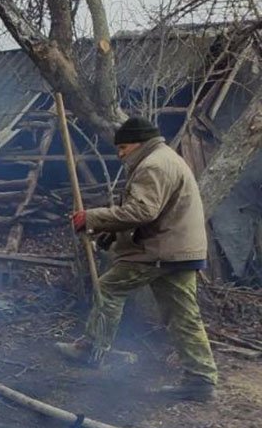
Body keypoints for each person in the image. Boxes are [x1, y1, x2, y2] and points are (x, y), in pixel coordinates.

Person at [55, 115, 218, 401]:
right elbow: (149, 213)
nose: (120, 154)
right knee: (183, 315)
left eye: (124, 148)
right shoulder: (165, 158)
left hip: (159, 250)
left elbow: (143, 212)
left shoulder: (153, 165)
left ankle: (91, 349)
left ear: (140, 143)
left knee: (110, 287)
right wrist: (109, 234)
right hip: (179, 250)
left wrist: (91, 218)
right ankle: (201, 379)